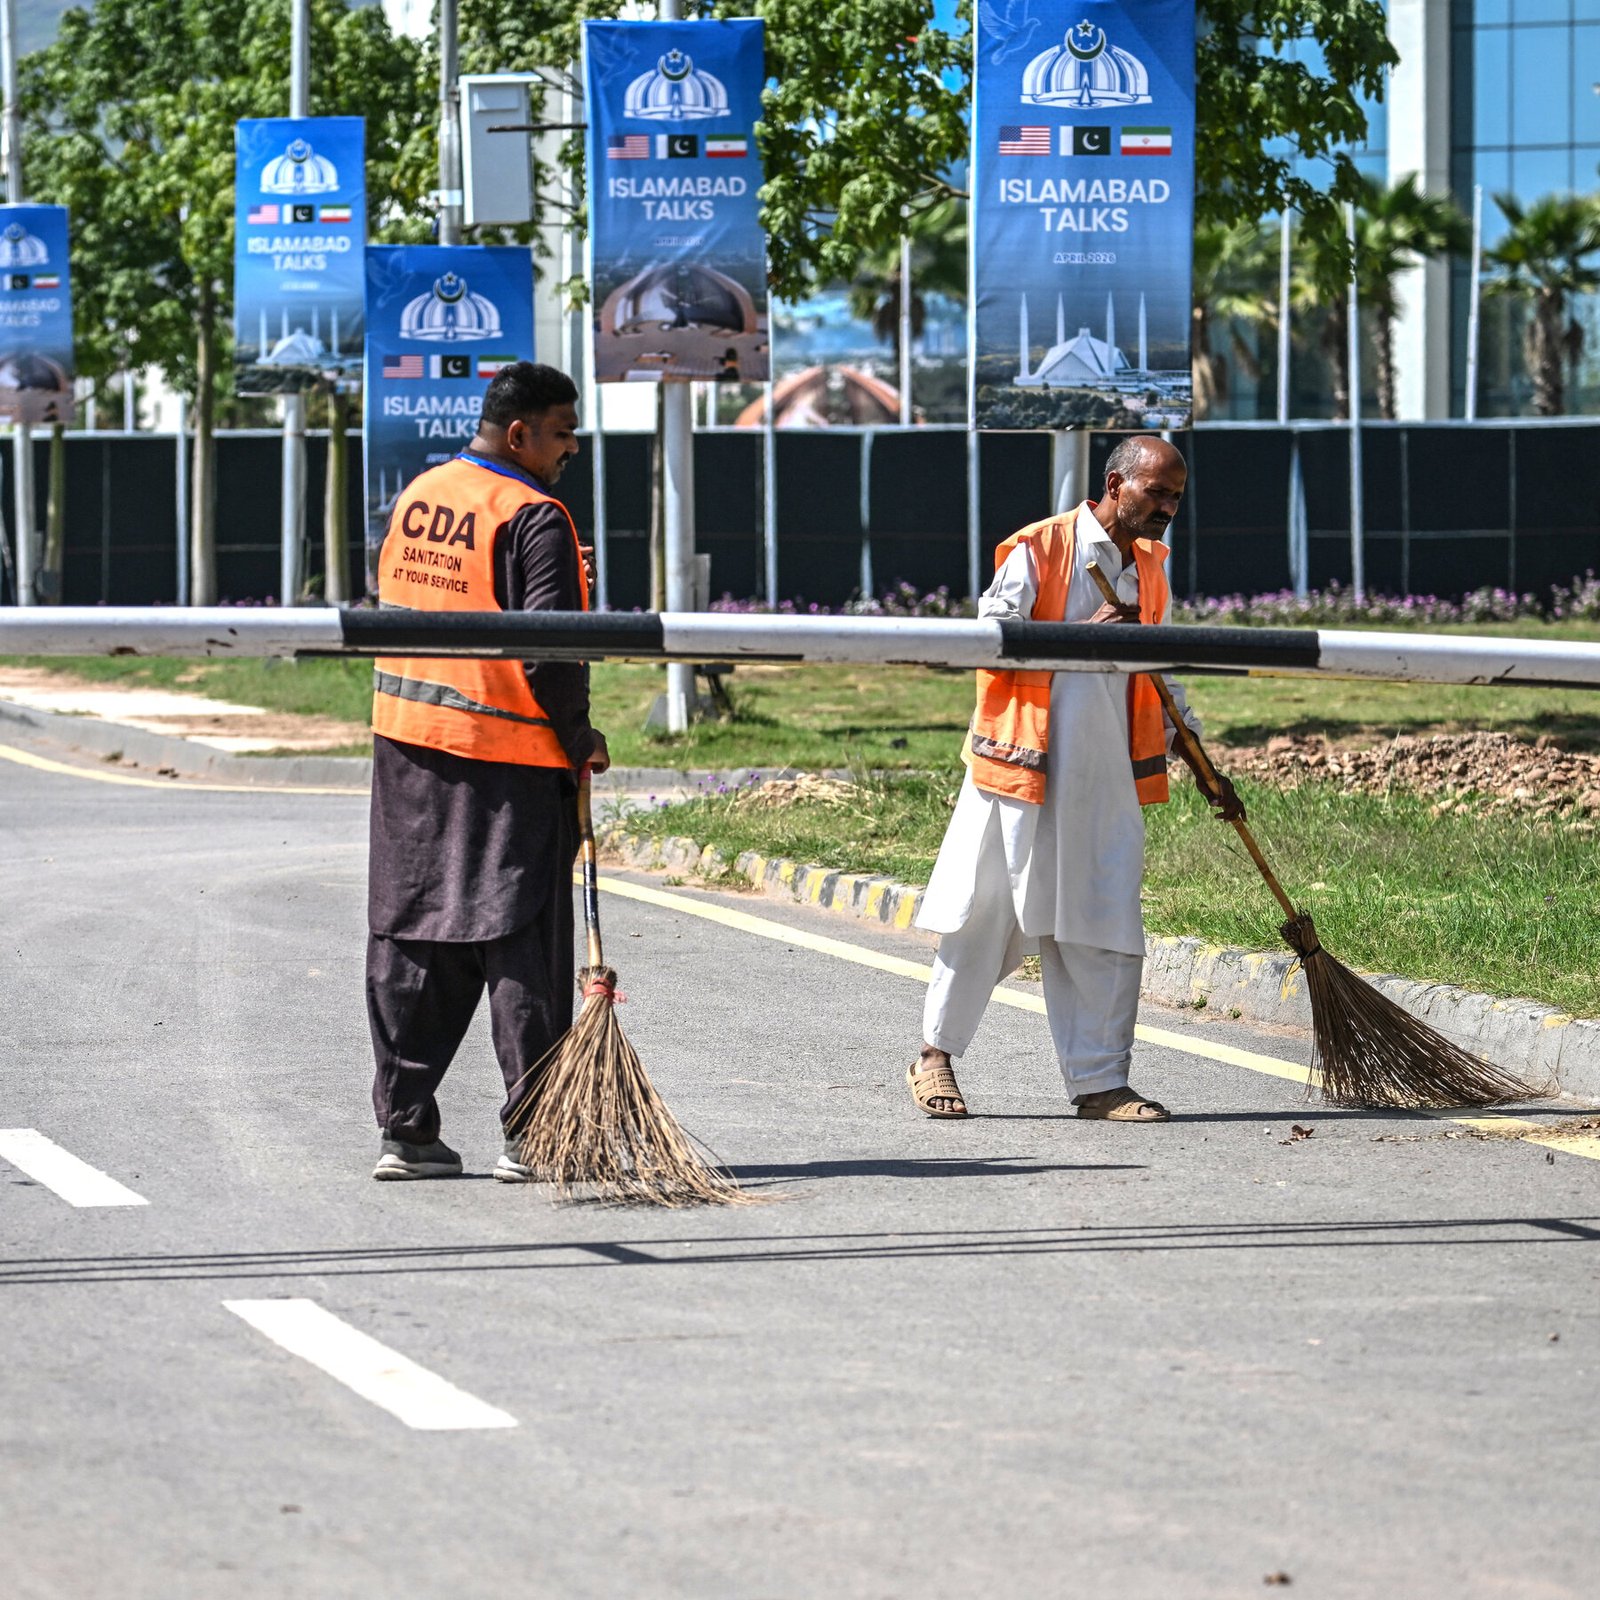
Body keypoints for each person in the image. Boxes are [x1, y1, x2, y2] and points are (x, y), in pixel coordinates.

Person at [908, 436, 1242, 1123]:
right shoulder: (1040, 547)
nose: (1168, 507)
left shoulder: (1150, 567)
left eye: (1177, 496)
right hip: (1020, 773)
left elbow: (1159, 674)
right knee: (984, 917)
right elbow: (990, 637)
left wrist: (1199, 759)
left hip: (1104, 781)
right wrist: (1082, 633)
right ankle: (934, 1056)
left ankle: (1101, 1084)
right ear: (1116, 485)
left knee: (1105, 923)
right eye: (1157, 492)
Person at [365, 361, 609, 1180]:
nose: (572, 448)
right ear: (519, 434)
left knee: (414, 933)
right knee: (519, 942)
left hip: (407, 748)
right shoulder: (534, 514)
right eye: (562, 433)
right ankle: (533, 1135)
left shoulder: (421, 495)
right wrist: (578, 738)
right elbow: (552, 650)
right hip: (507, 759)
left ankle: (405, 1130)